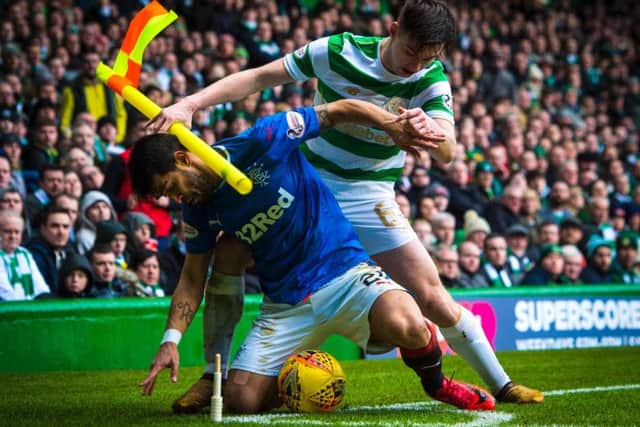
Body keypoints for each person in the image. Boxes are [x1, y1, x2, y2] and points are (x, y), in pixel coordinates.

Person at [147, 0, 542, 408]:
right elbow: (260, 76)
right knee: (229, 248)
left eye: (428, 58)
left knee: (433, 297)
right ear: (392, 30)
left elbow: (448, 151)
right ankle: (216, 375)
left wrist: (432, 130)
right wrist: (190, 103)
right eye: (411, 53)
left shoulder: (431, 77)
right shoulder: (338, 51)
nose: (415, 66)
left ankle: (502, 384)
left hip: (369, 193)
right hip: (309, 184)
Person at [138, 100, 496, 413]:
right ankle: (277, 381)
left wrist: (392, 126)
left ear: (183, 158)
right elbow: (191, 278)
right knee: (241, 400)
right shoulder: (199, 211)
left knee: (410, 325)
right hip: (285, 306)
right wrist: (170, 340)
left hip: (347, 275)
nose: (175, 200)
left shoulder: (264, 138)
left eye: (170, 188)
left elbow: (340, 110)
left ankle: (438, 385)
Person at [0, 211, 50, 300]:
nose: (13, 236)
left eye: (17, 232)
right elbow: (4, 292)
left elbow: (40, 286)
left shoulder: (25, 253)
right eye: (7, 232)